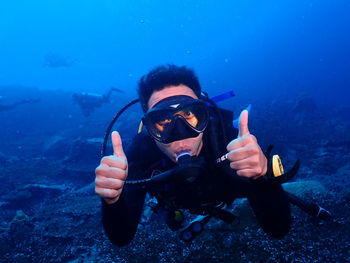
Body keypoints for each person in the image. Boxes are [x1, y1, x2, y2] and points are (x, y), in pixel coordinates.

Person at [95, 64, 329, 247]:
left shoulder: (231, 143)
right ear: (149, 127)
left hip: (226, 192)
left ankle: (245, 113)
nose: (180, 135)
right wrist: (111, 201)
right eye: (163, 121)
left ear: (204, 114)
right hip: (176, 201)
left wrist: (263, 178)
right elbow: (121, 238)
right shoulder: (141, 154)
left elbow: (278, 229)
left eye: (190, 115)